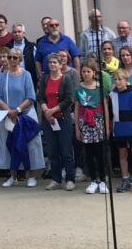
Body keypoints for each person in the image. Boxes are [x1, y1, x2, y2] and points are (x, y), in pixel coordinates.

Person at [0, 47, 42, 187]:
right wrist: (9, 111)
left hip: (26, 115)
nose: (12, 60)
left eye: (15, 57)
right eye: (10, 57)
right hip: (8, 116)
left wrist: (18, 110)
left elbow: (31, 96)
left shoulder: (26, 75)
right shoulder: (3, 76)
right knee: (11, 145)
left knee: (31, 145)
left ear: (20, 59)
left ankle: (31, 175)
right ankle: (13, 176)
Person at [37, 53, 76, 191]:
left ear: (60, 64)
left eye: (55, 62)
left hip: (62, 119)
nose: (52, 65)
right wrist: (46, 110)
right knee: (52, 150)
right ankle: (56, 179)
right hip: (48, 120)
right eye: (50, 62)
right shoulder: (45, 79)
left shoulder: (66, 80)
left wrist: (53, 110)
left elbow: (69, 99)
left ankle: (70, 179)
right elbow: (40, 97)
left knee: (66, 150)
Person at [74, 59, 108, 194]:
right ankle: (93, 180)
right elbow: (77, 109)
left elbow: (105, 107)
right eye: (84, 71)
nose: (86, 74)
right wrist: (77, 127)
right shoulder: (78, 89)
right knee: (89, 153)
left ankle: (103, 180)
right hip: (85, 123)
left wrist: (106, 126)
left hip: (98, 122)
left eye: (89, 71)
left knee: (100, 152)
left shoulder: (100, 88)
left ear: (94, 73)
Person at [109, 69, 132, 193]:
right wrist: (110, 128)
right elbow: (110, 113)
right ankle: (125, 179)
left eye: (120, 79)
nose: (117, 82)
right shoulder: (112, 95)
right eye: (115, 79)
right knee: (122, 154)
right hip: (118, 129)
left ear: (126, 81)